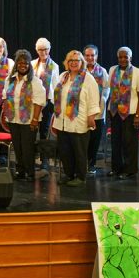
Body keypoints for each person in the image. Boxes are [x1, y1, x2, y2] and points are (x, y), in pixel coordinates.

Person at [53, 50, 100, 187]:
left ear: (82, 63)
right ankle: (69, 174)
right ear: (67, 63)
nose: (73, 63)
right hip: (62, 120)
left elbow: (94, 100)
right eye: (71, 60)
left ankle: (80, 176)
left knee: (79, 151)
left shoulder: (88, 78)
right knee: (65, 150)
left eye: (77, 60)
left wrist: (91, 117)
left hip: (79, 120)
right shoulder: (63, 76)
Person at [1, 49, 46, 180]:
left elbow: (39, 102)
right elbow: (5, 97)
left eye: (25, 63)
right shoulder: (10, 79)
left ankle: (30, 172)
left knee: (28, 148)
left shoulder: (35, 81)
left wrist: (35, 120)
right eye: (20, 63)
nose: (23, 65)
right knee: (17, 147)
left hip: (28, 120)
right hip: (13, 119)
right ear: (16, 64)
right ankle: (20, 171)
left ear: (29, 65)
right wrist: (6, 115)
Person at [108, 47, 139, 179]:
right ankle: (116, 168)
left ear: (131, 57)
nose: (123, 59)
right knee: (115, 141)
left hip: (130, 113)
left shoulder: (138, 72)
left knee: (129, 142)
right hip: (114, 111)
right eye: (120, 57)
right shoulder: (112, 70)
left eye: (126, 57)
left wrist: (137, 115)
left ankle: (130, 170)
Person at [83, 44, 110, 173]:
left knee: (94, 140)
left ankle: (91, 164)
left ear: (96, 56)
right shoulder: (79, 70)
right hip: (82, 112)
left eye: (92, 55)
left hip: (98, 112)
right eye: (87, 55)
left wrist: (103, 99)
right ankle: (82, 164)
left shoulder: (102, 71)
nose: (89, 58)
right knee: (83, 139)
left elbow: (106, 88)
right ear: (83, 57)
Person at [32, 38, 59, 140]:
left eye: (45, 49)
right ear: (37, 50)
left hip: (48, 102)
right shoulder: (32, 64)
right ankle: (32, 154)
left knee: (44, 130)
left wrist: (54, 103)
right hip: (34, 101)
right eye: (40, 50)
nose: (43, 52)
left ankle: (44, 155)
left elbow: (56, 85)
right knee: (33, 128)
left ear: (49, 49)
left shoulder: (54, 66)